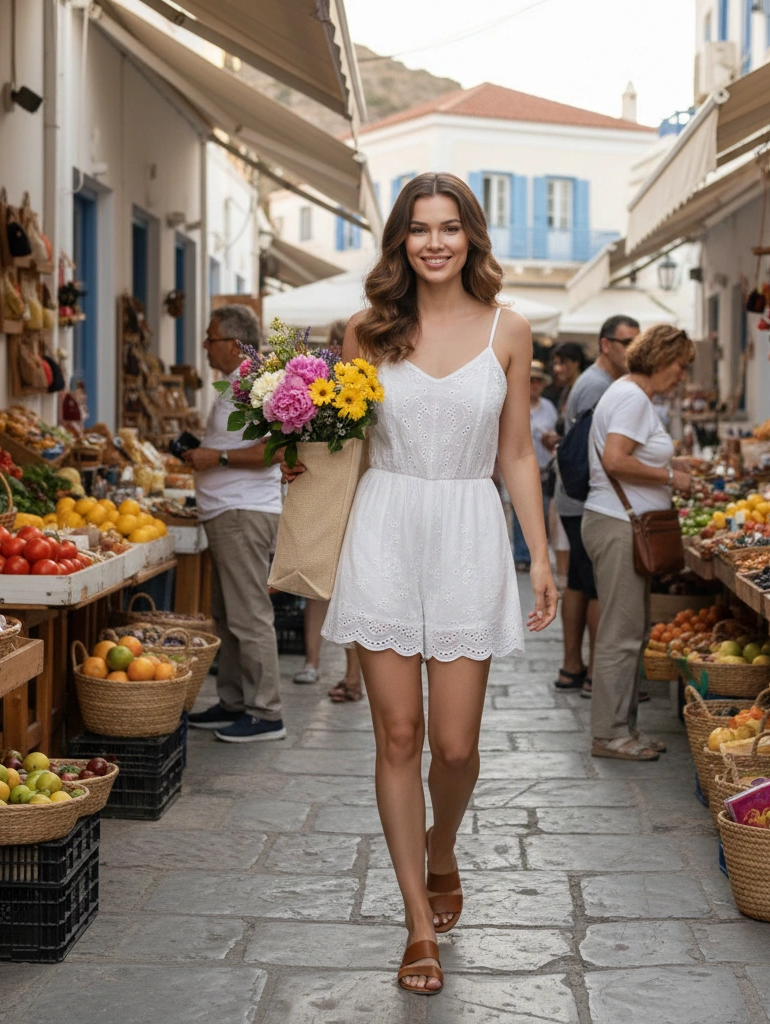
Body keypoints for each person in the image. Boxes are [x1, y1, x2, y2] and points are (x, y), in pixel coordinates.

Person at [287, 172, 558, 995]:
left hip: (471, 533)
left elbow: (516, 452)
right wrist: (294, 423)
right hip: (386, 529)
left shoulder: (511, 331)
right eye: (418, 228)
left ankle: (442, 849)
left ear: (472, 236)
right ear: (399, 240)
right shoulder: (364, 331)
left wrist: (540, 557)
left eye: (449, 227)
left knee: (457, 746)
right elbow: (341, 451)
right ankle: (415, 925)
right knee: (397, 737)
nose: (434, 242)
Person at [582, 324, 695, 761]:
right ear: (662, 358)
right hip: (617, 525)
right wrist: (670, 476)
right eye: (681, 365)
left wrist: (675, 463)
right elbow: (615, 459)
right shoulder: (631, 396)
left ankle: (624, 727)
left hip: (618, 523)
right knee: (620, 635)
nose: (681, 376)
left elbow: (631, 453)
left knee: (630, 631)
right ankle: (609, 734)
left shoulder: (629, 394)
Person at [184, 305, 288, 743]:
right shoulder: (237, 384)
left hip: (242, 513)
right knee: (228, 616)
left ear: (231, 343)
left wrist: (218, 457)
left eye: (209, 339)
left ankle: (266, 713)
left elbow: (278, 448)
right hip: (227, 512)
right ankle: (233, 701)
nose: (205, 347)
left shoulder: (257, 383)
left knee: (248, 615)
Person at [551, 315, 639, 696]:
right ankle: (594, 677)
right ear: (606, 344)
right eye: (626, 342)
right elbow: (601, 452)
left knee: (579, 583)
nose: (632, 350)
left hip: (575, 496)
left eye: (637, 342)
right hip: (585, 496)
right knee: (595, 587)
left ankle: (573, 668)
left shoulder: (596, 382)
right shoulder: (598, 386)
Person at [290, 318, 365, 702]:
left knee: (350, 586)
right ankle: (312, 662)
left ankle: (354, 675)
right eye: (335, 342)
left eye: (345, 341)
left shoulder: (365, 384)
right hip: (322, 489)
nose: (339, 348)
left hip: (361, 491)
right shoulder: (316, 381)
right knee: (314, 584)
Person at [511, 360, 557, 570]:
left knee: (543, 510)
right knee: (520, 510)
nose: (535, 385)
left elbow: (555, 434)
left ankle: (537, 554)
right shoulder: (514, 403)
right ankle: (522, 555)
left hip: (544, 468)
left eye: (538, 381)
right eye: (531, 380)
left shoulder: (548, 407)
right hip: (519, 469)